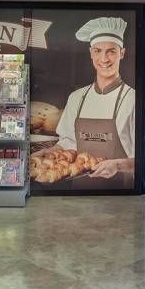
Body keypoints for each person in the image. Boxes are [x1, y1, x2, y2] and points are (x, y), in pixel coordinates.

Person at [54, 16, 135, 179]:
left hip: (121, 190)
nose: (104, 59)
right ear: (91, 53)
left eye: (111, 51)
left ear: (122, 53)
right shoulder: (77, 98)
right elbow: (67, 144)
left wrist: (117, 165)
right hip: (78, 189)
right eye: (98, 51)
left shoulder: (133, 99)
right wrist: (44, 153)